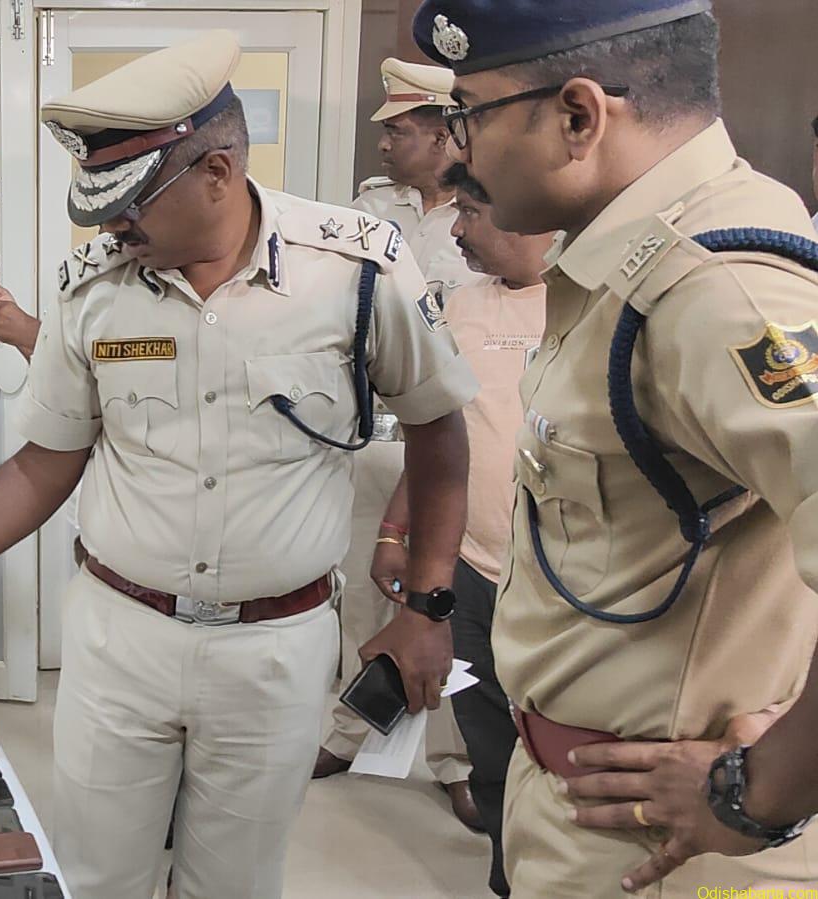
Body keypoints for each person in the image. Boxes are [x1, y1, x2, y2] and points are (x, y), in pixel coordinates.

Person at [0, 30, 479, 899]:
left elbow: (438, 431)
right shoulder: (93, 286)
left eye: (130, 202)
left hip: (274, 650)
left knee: (234, 883)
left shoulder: (357, 269)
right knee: (98, 875)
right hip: (120, 639)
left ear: (216, 172)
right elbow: (46, 459)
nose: (111, 224)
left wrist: (426, 604)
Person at [415, 1, 818, 895]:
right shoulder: (628, 262)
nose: (454, 153)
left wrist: (763, 791)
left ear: (578, 116)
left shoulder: (715, 288)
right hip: (577, 800)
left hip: (665, 847)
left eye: (467, 115)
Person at [371, 162, 555, 897]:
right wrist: (395, 530)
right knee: (488, 742)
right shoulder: (462, 306)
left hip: (560, 582)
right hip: (472, 571)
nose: (456, 231)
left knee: (556, 752)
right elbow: (436, 432)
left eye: (471, 215)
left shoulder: (591, 302)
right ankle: (508, 876)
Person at [314, 56, 480, 835]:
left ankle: (456, 760)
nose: (383, 143)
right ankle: (350, 728)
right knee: (363, 589)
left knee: (447, 600)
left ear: (446, 134)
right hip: (375, 431)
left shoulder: (493, 208)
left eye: (401, 130)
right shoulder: (369, 207)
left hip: (457, 439)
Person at [354, 57, 486, 310]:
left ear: (441, 138)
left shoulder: (488, 218)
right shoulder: (370, 208)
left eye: (395, 132)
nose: (383, 144)